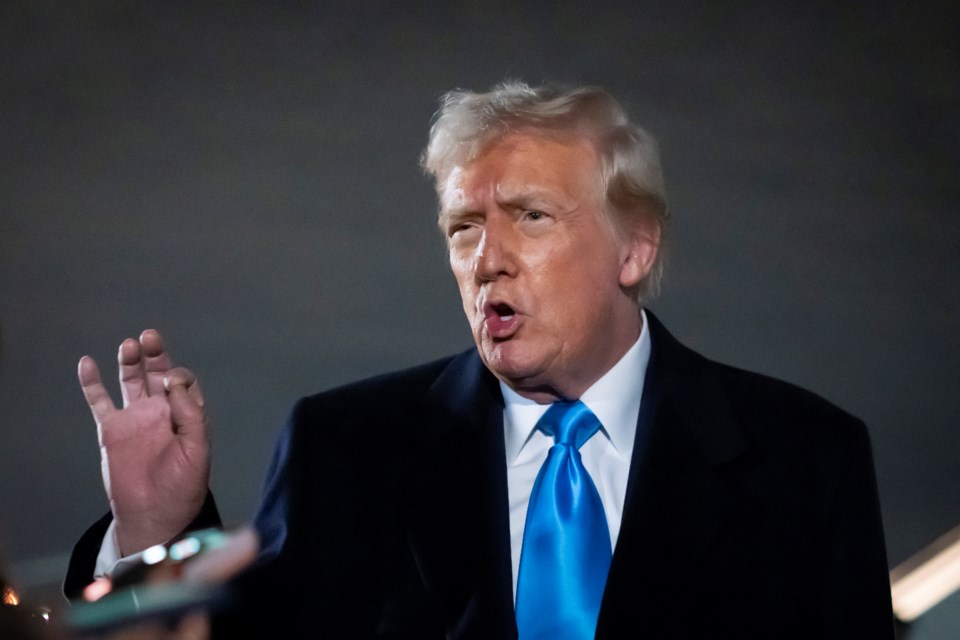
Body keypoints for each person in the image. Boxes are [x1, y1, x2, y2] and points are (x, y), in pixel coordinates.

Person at [65, 82, 894, 638]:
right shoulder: (344, 448)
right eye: (464, 227)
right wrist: (153, 530)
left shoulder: (806, 458)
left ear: (634, 247)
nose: (486, 259)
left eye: (531, 217)